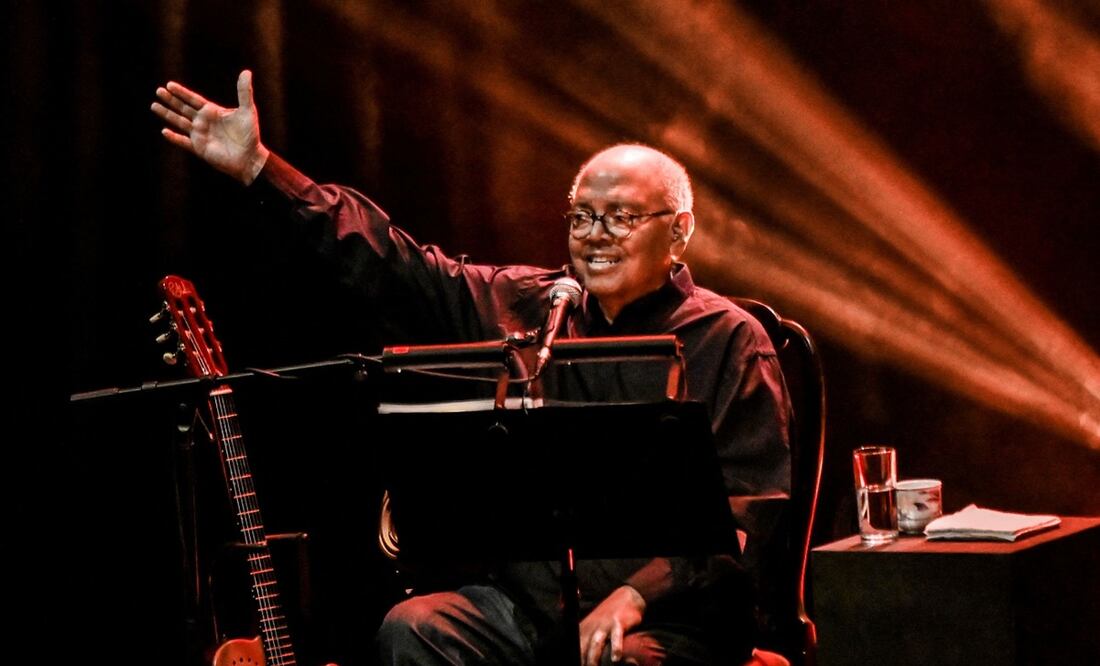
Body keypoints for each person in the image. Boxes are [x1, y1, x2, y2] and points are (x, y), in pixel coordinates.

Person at [152, 70, 791, 666]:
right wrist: (264, 171)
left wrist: (635, 597)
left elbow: (747, 517)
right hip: (534, 610)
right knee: (415, 628)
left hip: (668, 619)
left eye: (621, 217)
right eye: (582, 217)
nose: (596, 235)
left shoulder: (729, 339)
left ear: (678, 233)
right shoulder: (531, 307)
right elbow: (392, 264)